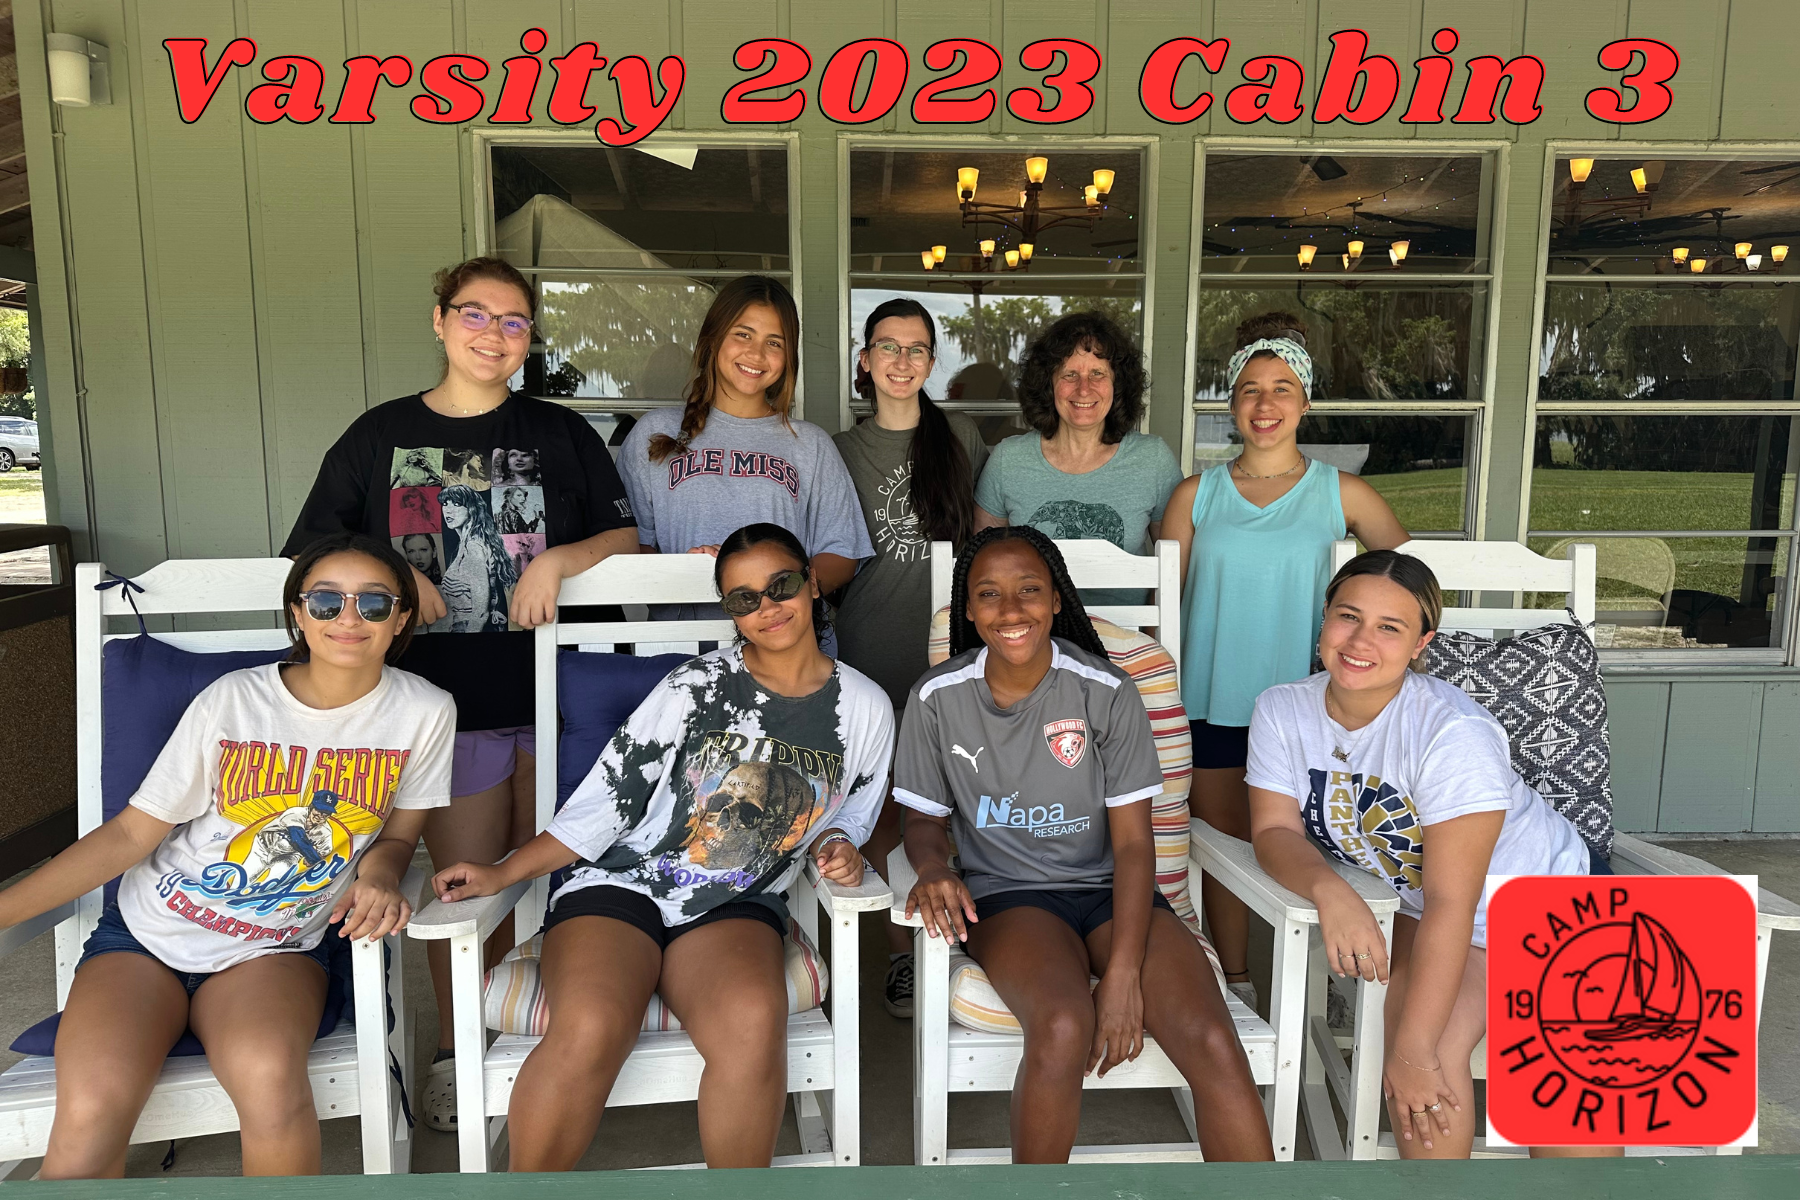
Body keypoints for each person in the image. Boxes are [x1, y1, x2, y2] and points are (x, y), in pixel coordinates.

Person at [282, 255, 640, 1130]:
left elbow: (624, 536)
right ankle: (458, 1050)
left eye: (514, 321)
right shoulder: (379, 435)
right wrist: (391, 567)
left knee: (560, 873)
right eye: (476, 314)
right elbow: (313, 551)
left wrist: (560, 558)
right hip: (443, 705)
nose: (494, 334)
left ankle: (543, 1043)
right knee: (464, 889)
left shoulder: (562, 432)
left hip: (560, 698)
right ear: (440, 321)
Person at [431, 524, 894, 1170]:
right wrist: (502, 873)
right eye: (744, 599)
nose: (767, 607)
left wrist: (839, 846)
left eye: (782, 585)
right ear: (730, 611)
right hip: (621, 881)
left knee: (752, 1020)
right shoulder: (695, 687)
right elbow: (606, 805)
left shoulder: (865, 708)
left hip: (736, 897)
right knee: (590, 1024)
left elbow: (852, 816)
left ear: (813, 583)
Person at [0, 533, 453, 1178]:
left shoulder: (424, 711)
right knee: (91, 1107)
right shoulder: (233, 699)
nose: (349, 617)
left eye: (374, 602)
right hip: (147, 937)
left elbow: (400, 837)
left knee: (270, 1083)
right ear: (298, 613)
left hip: (273, 949)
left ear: (401, 618)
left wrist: (380, 874)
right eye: (325, 601)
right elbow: (131, 835)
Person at [895, 526, 1273, 1165]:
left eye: (1028, 590)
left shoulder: (1106, 689)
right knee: (1063, 1025)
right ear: (968, 609)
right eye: (988, 594)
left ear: (1056, 600)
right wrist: (932, 865)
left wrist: (1122, 975)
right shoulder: (936, 697)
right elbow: (922, 821)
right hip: (1011, 898)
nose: (1010, 610)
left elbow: (1134, 844)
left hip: (1113, 891)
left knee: (1213, 1039)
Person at [1246, 550, 1606, 1160]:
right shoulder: (1283, 709)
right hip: (1427, 909)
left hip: (1546, 905)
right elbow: (1275, 830)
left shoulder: (1450, 732)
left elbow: (1451, 901)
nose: (1361, 641)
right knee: (1421, 1041)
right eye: (1348, 616)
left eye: (1390, 627)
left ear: (1420, 644)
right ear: (1324, 618)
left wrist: (1412, 1055)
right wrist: (1333, 892)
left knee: (1495, 1056)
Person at [1163, 312, 1407, 1012]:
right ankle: (1237, 982)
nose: (1264, 403)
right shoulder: (1195, 495)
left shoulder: (1342, 492)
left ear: (1304, 402)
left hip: (1314, 709)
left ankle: (1337, 972)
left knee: (1322, 841)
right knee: (1224, 847)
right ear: (1232, 404)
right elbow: (1166, 605)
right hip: (1212, 700)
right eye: (1249, 389)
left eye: (1281, 389)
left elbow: (1408, 582)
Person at [833, 298, 989, 1019]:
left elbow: (987, 537)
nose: (902, 360)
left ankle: (961, 933)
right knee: (887, 803)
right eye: (888, 347)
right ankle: (903, 954)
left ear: (931, 361)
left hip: (951, 648)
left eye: (917, 348)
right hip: (869, 644)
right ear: (865, 360)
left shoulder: (961, 437)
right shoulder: (838, 449)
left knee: (955, 798)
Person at [618, 276, 873, 627]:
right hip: (683, 641)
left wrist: (781, 587)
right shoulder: (654, 432)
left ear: (789, 356)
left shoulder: (811, 444)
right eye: (743, 334)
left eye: (775, 342)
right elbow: (630, 544)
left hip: (782, 638)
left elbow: (842, 552)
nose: (756, 354)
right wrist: (685, 569)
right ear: (713, 337)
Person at [973, 312, 1183, 607]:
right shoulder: (1008, 459)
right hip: (1032, 629)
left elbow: (1175, 569)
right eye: (1069, 374)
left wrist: (1151, 631)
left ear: (1118, 384)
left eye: (1098, 373)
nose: (1084, 389)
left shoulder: (1153, 459)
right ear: (1048, 384)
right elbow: (983, 566)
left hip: (1126, 630)